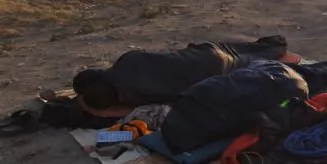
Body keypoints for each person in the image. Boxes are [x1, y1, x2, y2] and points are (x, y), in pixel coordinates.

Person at [72, 36, 288, 110]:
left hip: (216, 71)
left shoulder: (134, 98)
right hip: (203, 53)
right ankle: (276, 42)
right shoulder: (128, 59)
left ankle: (276, 46)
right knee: (253, 47)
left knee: (261, 58)